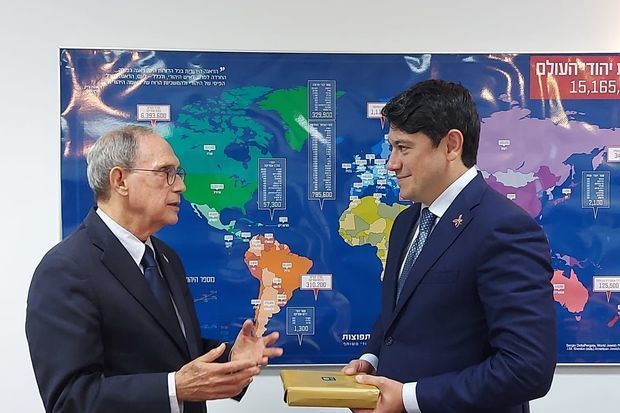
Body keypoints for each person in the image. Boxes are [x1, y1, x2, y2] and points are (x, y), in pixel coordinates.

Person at [26, 125, 283, 413]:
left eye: (178, 173)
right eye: (165, 172)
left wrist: (232, 360)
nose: (180, 186)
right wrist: (173, 389)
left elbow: (174, 349)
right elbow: (69, 400)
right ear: (120, 180)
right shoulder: (65, 270)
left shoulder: (166, 257)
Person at [342, 79, 556, 413]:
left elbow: (527, 369)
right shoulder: (406, 223)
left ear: (451, 145)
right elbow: (398, 317)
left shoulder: (503, 228)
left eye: (404, 148)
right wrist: (372, 359)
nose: (392, 163)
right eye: (392, 148)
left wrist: (410, 398)